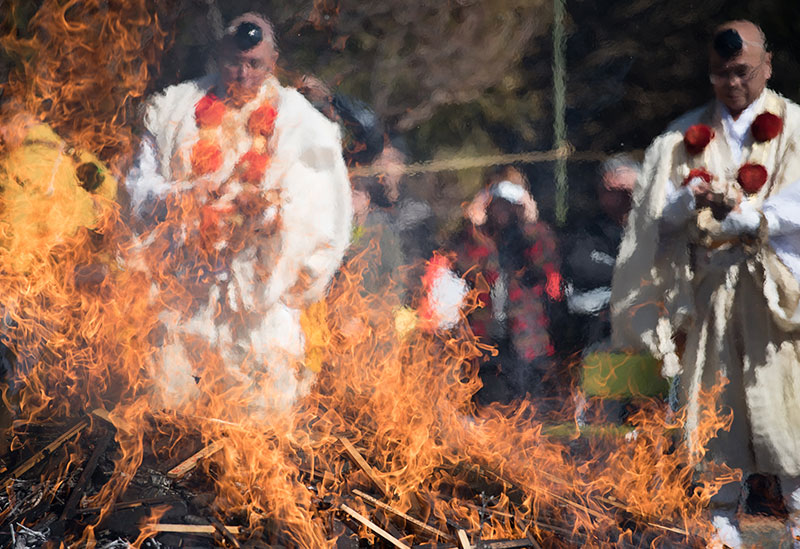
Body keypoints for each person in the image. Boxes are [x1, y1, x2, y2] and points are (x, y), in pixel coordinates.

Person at [610, 20, 800, 547]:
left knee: (786, 401)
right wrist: (683, 203)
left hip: (778, 296)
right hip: (711, 295)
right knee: (716, 409)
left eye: (742, 72)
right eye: (721, 75)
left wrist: (748, 219)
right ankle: (720, 525)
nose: (732, 84)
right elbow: (652, 221)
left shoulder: (797, 128)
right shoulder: (680, 137)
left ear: (768, 65)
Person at [125, 13, 352, 416]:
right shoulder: (171, 111)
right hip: (181, 307)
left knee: (253, 443)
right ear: (218, 55)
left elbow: (325, 222)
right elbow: (137, 195)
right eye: (234, 62)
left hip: (260, 320)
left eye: (256, 65)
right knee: (167, 428)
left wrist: (272, 216)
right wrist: (183, 196)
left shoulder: (307, 129)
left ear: (274, 62)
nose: (244, 75)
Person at [450, 166, 561, 404]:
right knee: (490, 411)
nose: (503, 209)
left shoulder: (534, 235)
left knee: (529, 413)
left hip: (526, 341)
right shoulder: (480, 238)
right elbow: (463, 267)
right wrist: (472, 226)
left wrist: (530, 221)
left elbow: (547, 268)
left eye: (509, 202)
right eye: (497, 201)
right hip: (486, 339)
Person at [559, 155, 638, 354]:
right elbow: (581, 266)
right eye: (612, 191)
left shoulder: (661, 227)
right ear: (600, 193)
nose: (622, 198)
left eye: (627, 191)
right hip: (598, 328)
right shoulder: (588, 230)